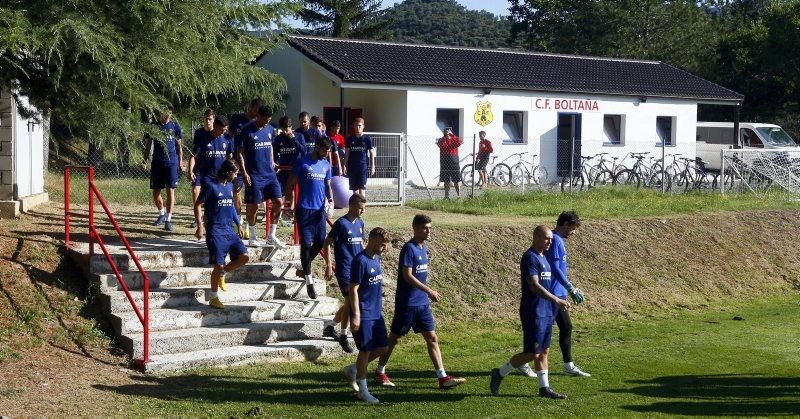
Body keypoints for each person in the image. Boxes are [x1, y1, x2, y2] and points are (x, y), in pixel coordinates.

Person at [375, 214, 466, 389]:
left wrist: (426, 293)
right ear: (415, 228)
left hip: (422, 304)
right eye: (425, 228)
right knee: (394, 339)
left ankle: (442, 377)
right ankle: (379, 371)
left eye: (430, 228)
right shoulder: (408, 249)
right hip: (407, 304)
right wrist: (429, 290)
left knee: (432, 338)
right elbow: (407, 276)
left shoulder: (423, 248)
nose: (428, 231)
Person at [490, 225, 571, 399]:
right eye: (546, 238)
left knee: (544, 351)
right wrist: (556, 299)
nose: (549, 241)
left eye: (550, 238)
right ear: (535, 238)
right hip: (533, 311)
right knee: (532, 352)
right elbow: (534, 286)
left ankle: (544, 388)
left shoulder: (544, 257)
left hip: (547, 310)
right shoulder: (530, 257)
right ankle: (499, 373)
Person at [342, 227, 391, 404]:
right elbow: (353, 289)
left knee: (383, 348)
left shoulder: (376, 258)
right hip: (364, 314)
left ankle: (354, 369)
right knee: (365, 350)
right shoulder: (360, 261)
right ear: (371, 240)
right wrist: (356, 315)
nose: (384, 247)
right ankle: (363, 390)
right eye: (382, 244)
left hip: (376, 313)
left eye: (385, 244)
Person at [193, 159, 250, 309]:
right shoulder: (211, 186)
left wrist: (239, 224)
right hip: (215, 231)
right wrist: (200, 226)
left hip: (229, 230)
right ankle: (213, 297)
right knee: (218, 265)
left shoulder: (229, 185)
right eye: (236, 173)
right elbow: (198, 204)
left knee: (244, 257)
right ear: (228, 172)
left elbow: (231, 206)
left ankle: (223, 273)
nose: (237, 176)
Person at [285, 136, 335, 300]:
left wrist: (331, 201)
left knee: (320, 242)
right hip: (304, 209)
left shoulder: (326, 164)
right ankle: (309, 280)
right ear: (317, 147)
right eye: (324, 150)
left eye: (328, 152)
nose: (326, 154)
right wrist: (288, 203)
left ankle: (304, 267)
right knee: (306, 244)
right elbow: (290, 183)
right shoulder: (302, 162)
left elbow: (327, 185)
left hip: (319, 211)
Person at [322, 193, 367, 353]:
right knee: (350, 299)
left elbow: (361, 246)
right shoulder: (341, 224)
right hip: (345, 269)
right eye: (361, 208)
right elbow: (326, 244)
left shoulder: (361, 223)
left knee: (349, 302)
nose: (363, 211)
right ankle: (343, 334)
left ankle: (330, 326)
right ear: (353, 206)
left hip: (358, 269)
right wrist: (329, 264)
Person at [236, 105, 285, 249]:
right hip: (254, 174)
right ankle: (252, 235)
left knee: (278, 202)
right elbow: (239, 153)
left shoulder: (270, 129)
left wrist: (271, 162)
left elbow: (269, 145)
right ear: (258, 116)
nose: (266, 123)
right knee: (255, 205)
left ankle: (272, 235)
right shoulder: (246, 130)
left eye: (269, 120)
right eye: (265, 120)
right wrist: (244, 173)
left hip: (269, 174)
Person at [191, 115, 234, 237]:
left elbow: (229, 158)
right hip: (206, 177)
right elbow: (194, 156)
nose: (223, 132)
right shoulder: (204, 138)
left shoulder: (227, 138)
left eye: (225, 130)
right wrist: (191, 171)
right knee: (205, 205)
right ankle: (201, 227)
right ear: (215, 126)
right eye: (221, 129)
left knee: (220, 205)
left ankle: (217, 231)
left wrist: (231, 172)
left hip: (221, 178)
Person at [145, 110, 183, 232]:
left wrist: (181, 163)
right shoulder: (153, 127)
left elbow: (179, 146)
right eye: (164, 114)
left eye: (169, 114)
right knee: (156, 192)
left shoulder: (175, 126)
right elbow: (148, 145)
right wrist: (144, 160)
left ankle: (168, 219)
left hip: (171, 162)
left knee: (170, 191)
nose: (166, 117)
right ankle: (162, 214)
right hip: (157, 162)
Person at [228, 98, 264, 220]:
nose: (256, 113)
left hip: (253, 162)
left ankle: (250, 221)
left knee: (253, 194)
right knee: (236, 190)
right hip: (237, 160)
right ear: (250, 107)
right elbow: (229, 136)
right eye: (255, 110)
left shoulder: (258, 123)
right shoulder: (236, 119)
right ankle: (238, 220)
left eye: (258, 111)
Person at [188, 108, 216, 228]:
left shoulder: (217, 133)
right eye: (206, 119)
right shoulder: (199, 133)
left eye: (210, 119)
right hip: (199, 168)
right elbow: (194, 153)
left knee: (211, 195)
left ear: (213, 120)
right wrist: (190, 170)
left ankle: (208, 217)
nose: (207, 122)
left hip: (212, 170)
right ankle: (197, 219)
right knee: (195, 192)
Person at [343, 117, 375, 197]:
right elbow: (347, 153)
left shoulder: (367, 139)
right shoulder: (350, 139)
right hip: (352, 167)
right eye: (356, 126)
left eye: (359, 126)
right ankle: (356, 208)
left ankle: (363, 208)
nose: (357, 127)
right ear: (353, 126)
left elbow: (371, 152)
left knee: (362, 189)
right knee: (355, 191)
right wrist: (344, 165)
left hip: (362, 167)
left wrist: (373, 166)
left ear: (363, 126)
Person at [437, 128, 462, 199]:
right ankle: (446, 196)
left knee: (456, 180)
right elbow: (441, 145)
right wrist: (445, 138)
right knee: (446, 180)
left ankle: (458, 195)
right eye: (446, 133)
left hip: (454, 161)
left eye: (448, 133)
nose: (447, 135)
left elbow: (459, 142)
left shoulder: (454, 139)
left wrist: (452, 134)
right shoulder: (442, 140)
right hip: (445, 161)